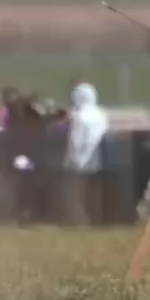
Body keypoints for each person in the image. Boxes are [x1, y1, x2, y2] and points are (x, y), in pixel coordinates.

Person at [61, 82, 109, 226]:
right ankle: (97, 218)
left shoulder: (79, 116)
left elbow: (75, 141)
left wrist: (69, 160)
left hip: (80, 163)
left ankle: (80, 219)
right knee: (94, 194)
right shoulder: (101, 114)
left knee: (79, 194)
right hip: (98, 161)